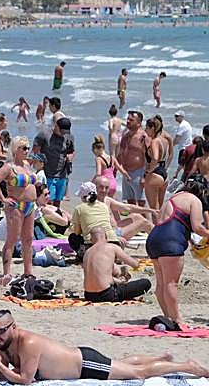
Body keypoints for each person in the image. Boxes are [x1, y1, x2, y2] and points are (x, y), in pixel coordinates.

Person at [0, 309, 209, 383]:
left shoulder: (28, 342)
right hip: (82, 359)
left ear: (14, 327)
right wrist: (2, 362)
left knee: (138, 373)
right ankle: (159, 359)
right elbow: (5, 375)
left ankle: (187, 366)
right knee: (120, 364)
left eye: (1, 331)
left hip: (85, 365)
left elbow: (25, 380)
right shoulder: (7, 344)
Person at [146, 175, 209, 327]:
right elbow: (197, 227)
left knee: (161, 284)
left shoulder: (172, 198)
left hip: (154, 239)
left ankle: (168, 316)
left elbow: (173, 222)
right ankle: (177, 319)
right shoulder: (194, 200)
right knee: (171, 284)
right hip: (171, 242)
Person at [0, 137, 41, 279]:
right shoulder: (9, 167)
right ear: (15, 149)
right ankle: (6, 273)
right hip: (16, 206)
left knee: (28, 239)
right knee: (12, 239)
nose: (26, 151)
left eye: (27, 148)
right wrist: (3, 198)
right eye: (23, 148)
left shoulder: (27, 165)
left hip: (30, 205)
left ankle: (28, 272)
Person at [82, 227, 152, 303]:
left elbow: (98, 276)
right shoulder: (111, 247)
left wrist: (118, 280)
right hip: (107, 294)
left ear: (91, 239)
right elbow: (135, 264)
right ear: (106, 236)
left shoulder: (87, 252)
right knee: (146, 283)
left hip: (89, 295)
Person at [33, 117, 75, 203]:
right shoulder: (44, 134)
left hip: (62, 175)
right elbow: (35, 151)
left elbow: (72, 151)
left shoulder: (69, 137)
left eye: (65, 132)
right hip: (47, 175)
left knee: (58, 201)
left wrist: (70, 157)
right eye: (62, 131)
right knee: (48, 201)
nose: (63, 134)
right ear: (56, 126)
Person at [115, 110, 148, 204]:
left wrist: (145, 176)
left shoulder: (143, 137)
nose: (128, 121)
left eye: (131, 120)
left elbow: (149, 158)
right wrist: (114, 170)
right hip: (126, 173)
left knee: (141, 203)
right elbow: (120, 154)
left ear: (139, 123)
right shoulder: (125, 136)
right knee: (130, 202)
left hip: (138, 172)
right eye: (128, 119)